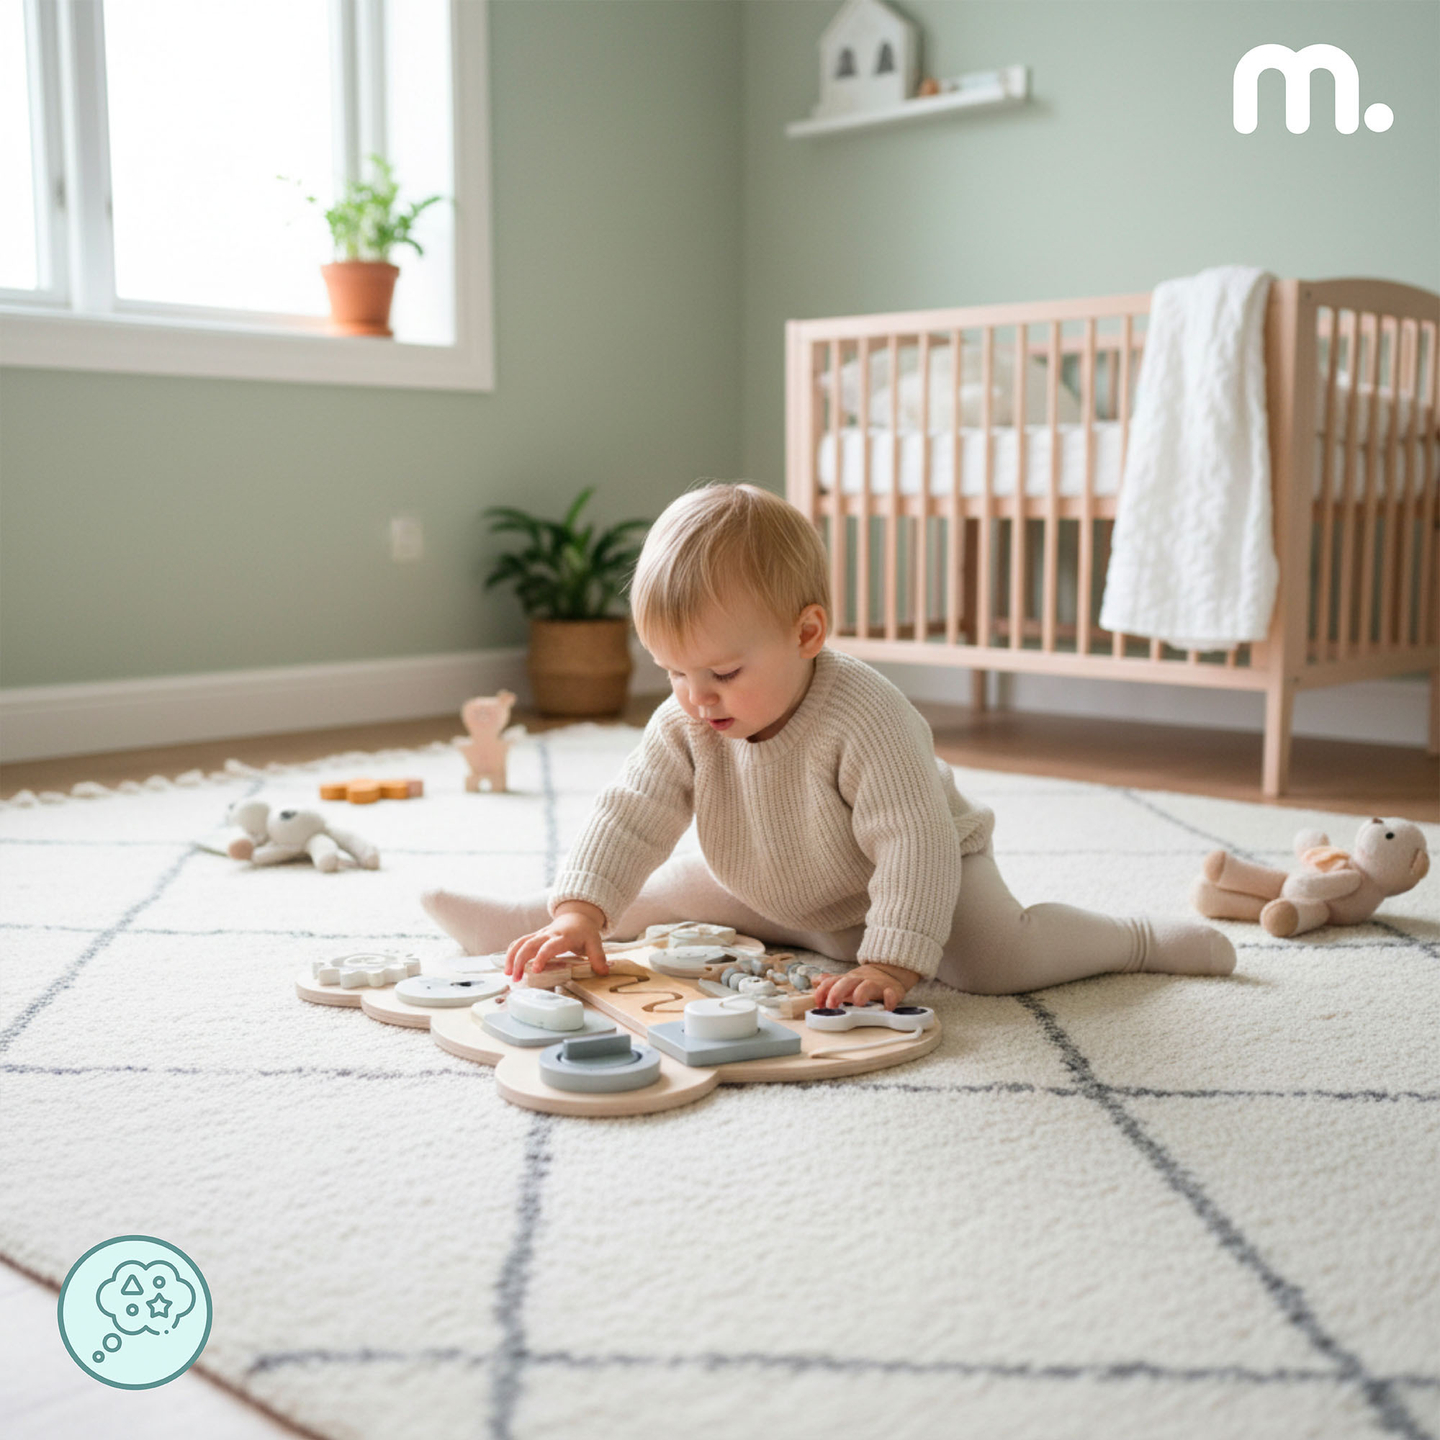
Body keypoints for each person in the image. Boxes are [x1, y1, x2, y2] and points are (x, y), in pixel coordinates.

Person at [422, 481, 1234, 1009]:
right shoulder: (688, 718)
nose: (696, 698)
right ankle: (532, 920)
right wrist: (580, 907)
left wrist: (891, 962)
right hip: (774, 879)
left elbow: (911, 843)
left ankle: (1139, 939)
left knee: (993, 963)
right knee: (663, 889)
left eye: (723, 671)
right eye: (671, 672)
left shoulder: (866, 715)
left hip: (914, 877)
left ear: (807, 633)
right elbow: (631, 812)